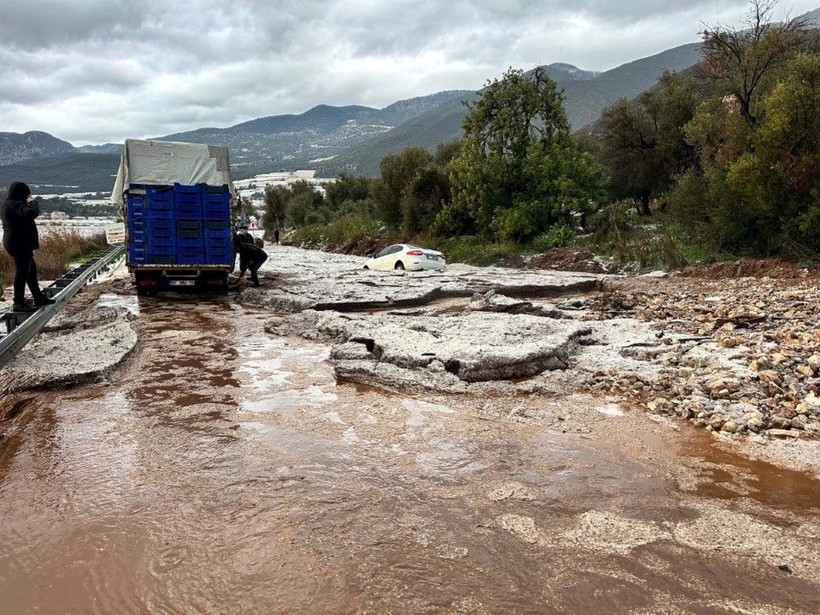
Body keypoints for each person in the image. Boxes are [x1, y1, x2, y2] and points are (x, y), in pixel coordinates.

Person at [1, 181, 56, 312]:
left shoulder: (7, 203)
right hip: (19, 243)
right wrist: (33, 202)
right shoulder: (16, 204)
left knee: (31, 272)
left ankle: (38, 297)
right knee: (22, 273)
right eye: (27, 194)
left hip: (16, 243)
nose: (28, 196)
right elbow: (31, 213)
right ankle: (18, 302)